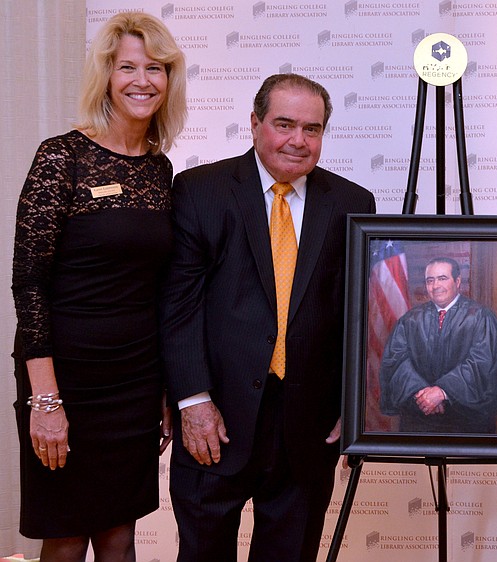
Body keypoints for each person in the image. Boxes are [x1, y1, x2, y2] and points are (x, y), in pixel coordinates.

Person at [158, 73, 376, 562]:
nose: (298, 141)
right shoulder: (200, 190)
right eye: (284, 124)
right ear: (255, 124)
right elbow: (178, 307)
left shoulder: (351, 203)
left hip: (307, 427)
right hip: (214, 421)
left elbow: (358, 314)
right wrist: (192, 400)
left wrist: (353, 400)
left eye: (312, 129)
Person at [10, 12, 186, 562]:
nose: (142, 80)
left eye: (155, 67)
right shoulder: (60, 157)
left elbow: (157, 289)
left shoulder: (160, 171)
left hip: (134, 379)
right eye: (127, 67)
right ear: (106, 77)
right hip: (67, 378)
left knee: (119, 533)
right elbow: (29, 285)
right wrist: (45, 400)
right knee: (65, 535)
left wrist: (161, 391)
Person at [379, 257, 497, 433]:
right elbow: (396, 361)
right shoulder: (410, 320)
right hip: (419, 421)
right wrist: (421, 393)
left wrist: (443, 391)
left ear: (457, 281)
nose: (435, 285)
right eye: (430, 280)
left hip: (466, 424)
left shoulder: (480, 317)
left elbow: (482, 364)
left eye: (442, 278)